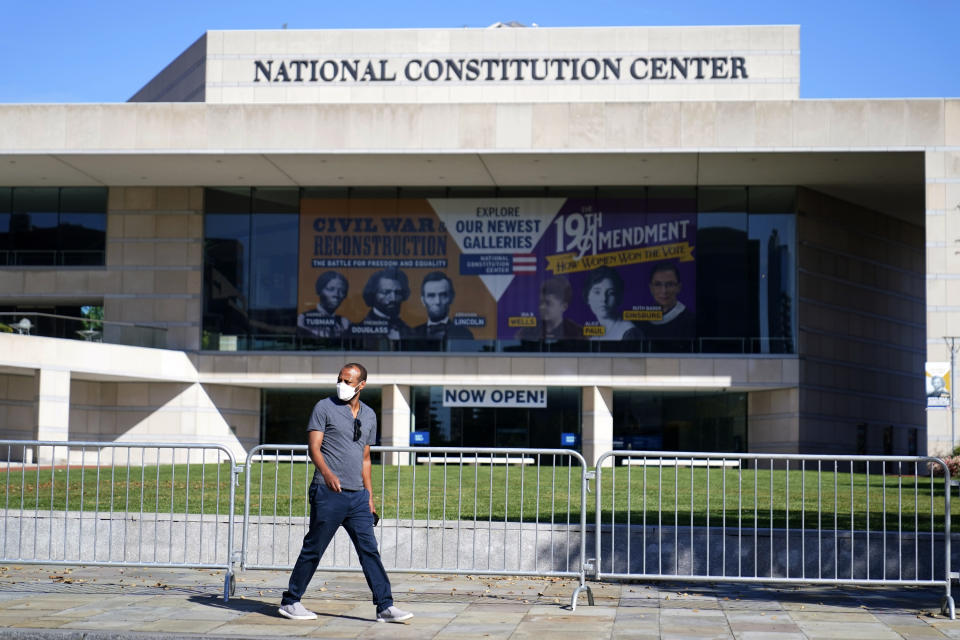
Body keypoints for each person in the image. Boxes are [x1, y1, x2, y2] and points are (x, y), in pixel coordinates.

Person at [279, 362, 413, 624]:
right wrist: (328, 474)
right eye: (340, 378)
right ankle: (291, 601)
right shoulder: (324, 407)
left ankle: (385, 606)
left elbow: (365, 459)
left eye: (348, 381)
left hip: (358, 498)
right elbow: (314, 448)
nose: (341, 384)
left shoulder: (370, 415)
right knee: (314, 548)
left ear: (361, 385)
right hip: (327, 493)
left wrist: (370, 497)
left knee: (369, 550)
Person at [581, 266, 642, 341]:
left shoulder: (629, 333)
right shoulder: (593, 332)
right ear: (587, 296)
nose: (603, 299)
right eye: (597, 292)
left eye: (610, 293)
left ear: (618, 297)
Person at [515, 276, 582, 341]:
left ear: (563, 307)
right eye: (541, 302)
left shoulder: (577, 333)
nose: (542, 307)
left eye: (548, 303)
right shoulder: (526, 332)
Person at [352, 267, 411, 340]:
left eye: (398, 293)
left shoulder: (410, 330)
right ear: (373, 294)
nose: (393, 298)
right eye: (386, 292)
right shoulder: (357, 329)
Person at [413, 271, 474, 341]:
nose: (437, 301)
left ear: (451, 298)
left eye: (442, 295)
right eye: (431, 296)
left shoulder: (464, 334)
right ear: (423, 301)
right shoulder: (413, 333)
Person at [643, 262, 695, 340]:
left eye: (670, 284)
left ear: (679, 287)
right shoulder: (640, 320)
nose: (664, 291)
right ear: (651, 288)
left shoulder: (690, 321)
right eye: (658, 284)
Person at [297, 271, 351, 338]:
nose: (336, 294)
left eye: (342, 291)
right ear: (319, 290)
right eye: (330, 289)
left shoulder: (344, 322)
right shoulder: (303, 319)